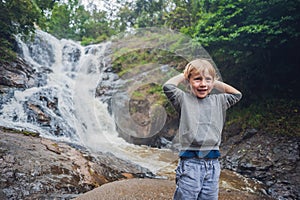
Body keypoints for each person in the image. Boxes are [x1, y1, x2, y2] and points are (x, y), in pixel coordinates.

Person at [163, 59, 242, 200]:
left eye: (207, 80)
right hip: (190, 163)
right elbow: (168, 87)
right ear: (189, 81)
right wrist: (184, 75)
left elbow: (237, 94)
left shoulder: (219, 101)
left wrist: (213, 81)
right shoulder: (183, 100)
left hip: (213, 165)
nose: (203, 84)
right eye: (198, 79)